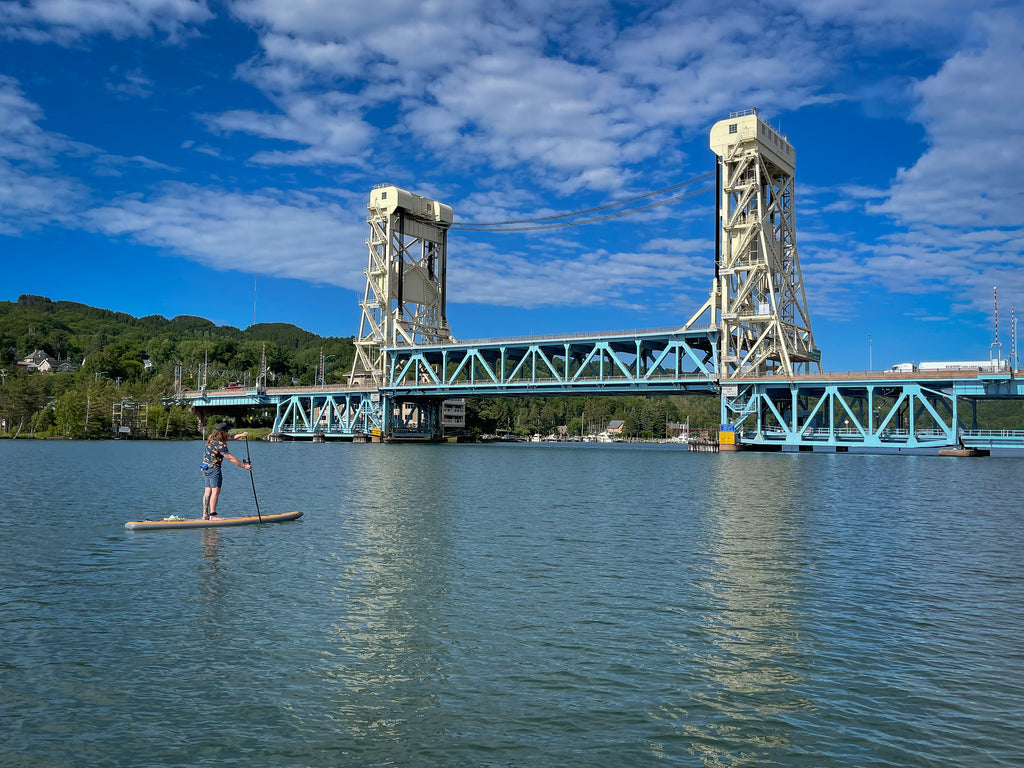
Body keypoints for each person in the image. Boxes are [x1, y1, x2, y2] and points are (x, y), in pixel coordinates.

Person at [200, 421, 251, 519]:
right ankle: (213, 515)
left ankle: (205, 515)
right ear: (223, 432)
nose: (228, 433)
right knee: (215, 491)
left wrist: (242, 435)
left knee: (207, 491)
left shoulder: (211, 439)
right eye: (227, 431)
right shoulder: (220, 445)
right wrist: (244, 466)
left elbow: (232, 437)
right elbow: (231, 458)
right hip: (214, 469)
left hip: (205, 467)